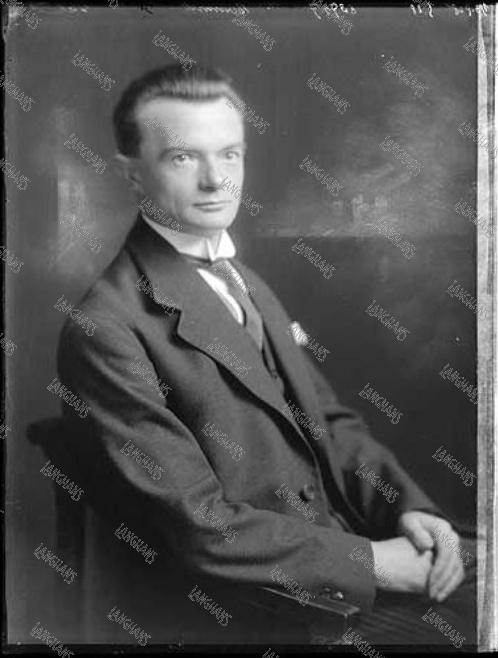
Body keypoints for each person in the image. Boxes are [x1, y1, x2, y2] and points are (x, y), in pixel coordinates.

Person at [57, 64, 475, 645]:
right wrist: (375, 563)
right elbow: (199, 528)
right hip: (267, 610)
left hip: (347, 556)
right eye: (183, 157)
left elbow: (329, 423)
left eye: (230, 155)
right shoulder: (105, 326)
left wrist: (406, 510)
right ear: (132, 175)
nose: (215, 181)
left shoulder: (244, 281)